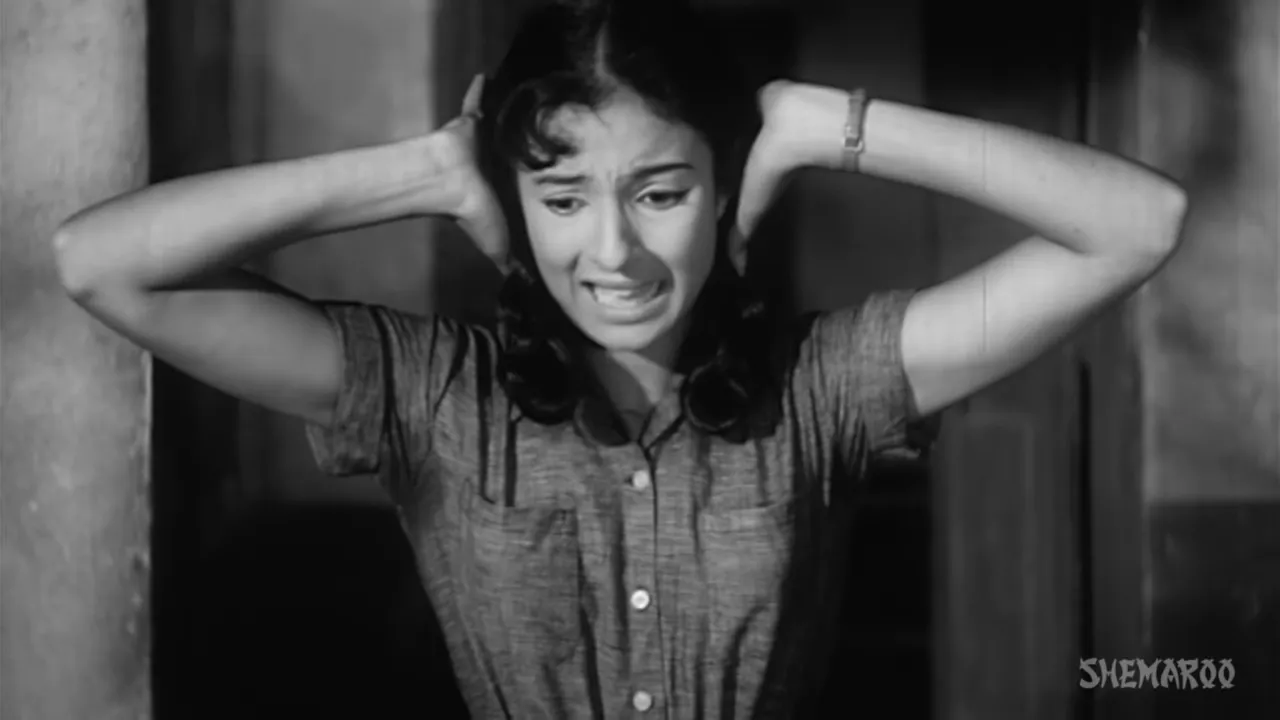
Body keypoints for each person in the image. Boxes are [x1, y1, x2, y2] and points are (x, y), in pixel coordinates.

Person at [54, 0, 1187, 717]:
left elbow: (1138, 225)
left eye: (659, 192)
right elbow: (99, 264)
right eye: (562, 198)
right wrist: (424, 172)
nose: (612, 253)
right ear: (517, 201)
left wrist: (820, 124)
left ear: (722, 189)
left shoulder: (821, 389)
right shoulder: (435, 396)